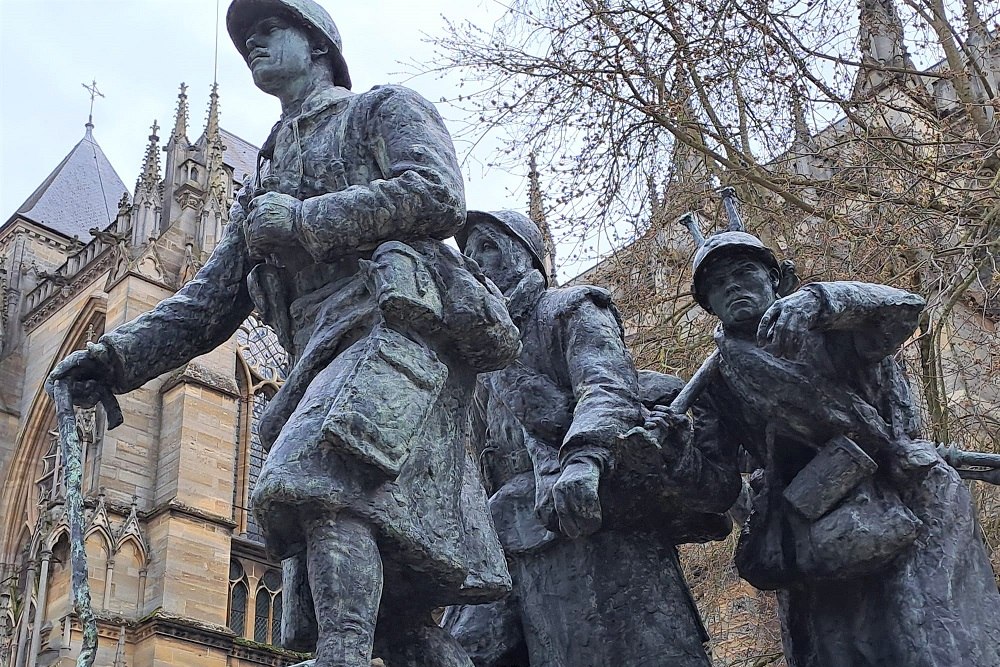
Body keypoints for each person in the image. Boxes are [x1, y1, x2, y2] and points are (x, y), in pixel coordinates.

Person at [47, 2, 522, 666]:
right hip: (319, 362)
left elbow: (438, 193)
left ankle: (344, 656)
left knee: (309, 478)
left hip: (393, 341)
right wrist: (113, 357)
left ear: (319, 44)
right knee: (403, 616)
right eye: (246, 40)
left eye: (270, 30)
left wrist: (305, 221)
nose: (254, 45)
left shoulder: (379, 110)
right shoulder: (262, 178)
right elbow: (206, 304)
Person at [681, 227, 1000, 667]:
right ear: (708, 306)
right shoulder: (717, 384)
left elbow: (905, 311)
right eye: (715, 284)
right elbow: (716, 486)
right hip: (816, 530)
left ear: (774, 278)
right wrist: (674, 451)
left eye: (743, 272)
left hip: (903, 496)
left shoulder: (831, 326)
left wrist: (820, 301)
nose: (731, 286)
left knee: (929, 641)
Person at [443, 210, 739, 667]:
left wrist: (584, 460)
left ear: (527, 255)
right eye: (469, 254)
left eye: (488, 247)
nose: (478, 263)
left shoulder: (572, 307)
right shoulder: (481, 361)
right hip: (525, 537)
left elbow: (607, 387)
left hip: (601, 516)